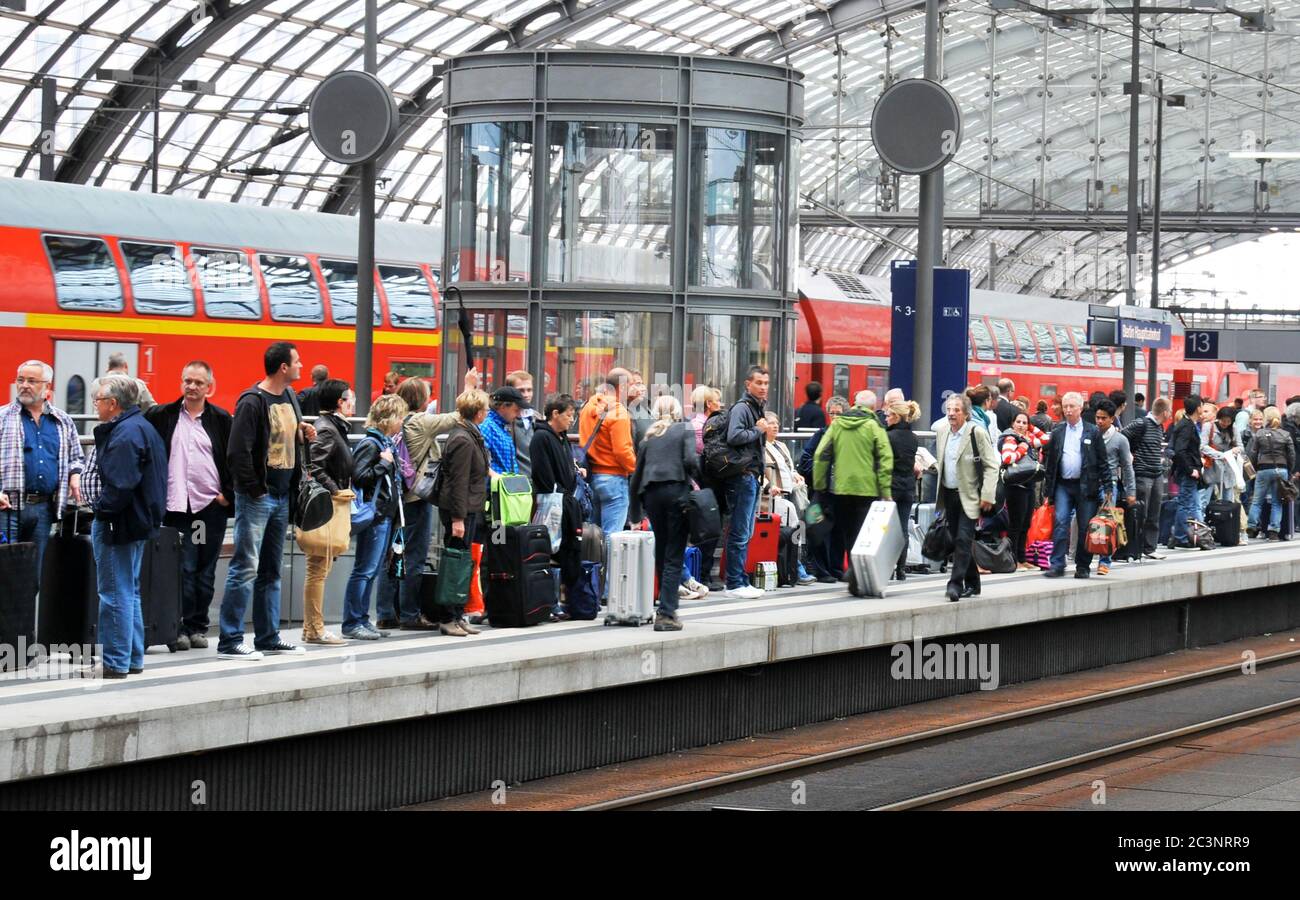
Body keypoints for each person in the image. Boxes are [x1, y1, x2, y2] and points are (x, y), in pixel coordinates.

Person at [217, 341, 314, 660]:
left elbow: (286, 434)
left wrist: (303, 432)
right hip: (259, 497)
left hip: (282, 496)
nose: (302, 366)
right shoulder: (252, 401)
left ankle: (268, 636)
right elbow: (237, 452)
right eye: (297, 362)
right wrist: (255, 489)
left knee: (271, 569)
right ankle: (230, 640)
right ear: (283, 367)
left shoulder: (289, 397)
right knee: (245, 567)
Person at [145, 361, 232, 651]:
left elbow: (234, 458)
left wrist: (226, 496)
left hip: (206, 509)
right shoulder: (163, 416)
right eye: (187, 381)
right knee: (179, 568)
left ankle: (197, 626)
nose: (192, 387)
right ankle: (176, 628)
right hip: (175, 508)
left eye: (198, 382)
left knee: (203, 570)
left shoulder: (220, 419)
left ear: (210, 387)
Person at [85, 375, 166, 678]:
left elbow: (119, 486)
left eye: (99, 400)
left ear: (113, 404)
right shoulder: (143, 427)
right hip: (137, 522)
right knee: (129, 591)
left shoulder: (124, 435)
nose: (96, 405)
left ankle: (115, 661)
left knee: (114, 593)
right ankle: (132, 657)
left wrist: (100, 511)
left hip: (118, 523)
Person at [374, 376, 464, 631]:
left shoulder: (397, 422)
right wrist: (468, 386)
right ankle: (410, 614)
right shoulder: (421, 422)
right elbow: (457, 417)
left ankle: (385, 612)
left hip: (396, 498)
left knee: (393, 555)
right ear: (423, 399)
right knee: (413, 557)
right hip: (415, 499)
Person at [0, 360, 84, 575]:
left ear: (47, 386)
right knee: (4, 576)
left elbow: (76, 457)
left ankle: (27, 610)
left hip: (43, 510)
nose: (24, 385)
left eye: (32, 381)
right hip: (7, 509)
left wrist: (75, 475)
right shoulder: (3, 417)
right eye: (21, 380)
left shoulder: (62, 421)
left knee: (32, 577)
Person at [629, 395, 700, 631]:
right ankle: (667, 614)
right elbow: (691, 460)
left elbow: (636, 477)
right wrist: (703, 485)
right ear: (677, 411)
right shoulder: (684, 429)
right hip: (676, 493)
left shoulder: (648, 439)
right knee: (674, 553)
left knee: (662, 551)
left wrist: (636, 515)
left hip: (652, 496)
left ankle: (664, 605)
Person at [342, 393, 408, 640]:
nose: (402, 421)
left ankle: (361, 618)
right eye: (400, 416)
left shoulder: (384, 443)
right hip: (375, 516)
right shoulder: (372, 444)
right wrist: (383, 464)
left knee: (371, 569)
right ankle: (352, 621)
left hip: (383, 515)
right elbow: (360, 476)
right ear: (389, 418)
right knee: (365, 569)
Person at [812, 389, 893, 586]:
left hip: (840, 489)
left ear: (855, 404)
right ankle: (857, 576)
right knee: (861, 533)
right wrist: (885, 492)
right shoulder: (874, 426)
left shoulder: (838, 424)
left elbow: (821, 455)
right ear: (873, 407)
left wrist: (820, 486)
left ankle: (853, 575)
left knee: (847, 533)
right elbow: (886, 459)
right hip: (867, 490)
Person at [300, 378, 353, 645]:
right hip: (327, 506)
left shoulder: (333, 427)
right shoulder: (328, 429)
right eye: (349, 397)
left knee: (317, 568)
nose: (353, 401)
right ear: (339, 402)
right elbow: (316, 466)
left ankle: (311, 628)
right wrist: (335, 490)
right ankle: (316, 629)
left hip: (328, 505)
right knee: (318, 568)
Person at [435, 389, 491, 637]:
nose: (487, 412)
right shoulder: (463, 439)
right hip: (460, 511)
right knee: (454, 564)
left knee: (462, 563)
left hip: (468, 508)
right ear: (478, 412)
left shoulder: (469, 435)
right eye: (486, 409)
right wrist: (458, 518)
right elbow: (457, 482)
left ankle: (458, 615)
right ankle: (448, 617)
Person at [934, 394, 1000, 601]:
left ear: (966, 413)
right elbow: (944, 462)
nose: (951, 414)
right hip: (949, 494)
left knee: (963, 539)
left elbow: (991, 465)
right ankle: (973, 582)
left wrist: (988, 494)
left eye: (956, 410)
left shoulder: (976, 433)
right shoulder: (942, 431)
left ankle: (955, 585)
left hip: (970, 496)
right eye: (949, 410)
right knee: (957, 540)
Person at [720, 365, 776, 600]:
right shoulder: (743, 408)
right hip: (742, 476)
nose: (763, 387)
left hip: (751, 476)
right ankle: (734, 582)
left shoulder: (756, 408)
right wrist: (757, 429)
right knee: (741, 531)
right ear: (748, 384)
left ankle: (740, 579)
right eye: (759, 383)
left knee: (746, 531)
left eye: (765, 383)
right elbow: (734, 436)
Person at [1042, 391, 1111, 578]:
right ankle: (1057, 564)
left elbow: (1102, 461)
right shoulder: (1057, 432)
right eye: (1065, 406)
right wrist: (1048, 491)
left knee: (1084, 526)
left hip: (1086, 486)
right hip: (1063, 485)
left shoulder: (1092, 431)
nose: (1068, 410)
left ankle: (1083, 565)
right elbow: (1051, 463)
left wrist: (1108, 488)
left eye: (1072, 406)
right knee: (1061, 522)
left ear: (1080, 408)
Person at [530, 393, 585, 616]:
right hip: (552, 504)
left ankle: (569, 601)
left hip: (566, 501)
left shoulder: (561, 437)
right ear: (555, 414)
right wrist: (562, 492)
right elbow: (544, 476)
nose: (571, 420)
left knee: (570, 549)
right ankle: (550, 603)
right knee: (551, 551)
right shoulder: (542, 438)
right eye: (568, 415)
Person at [578, 368, 638, 536]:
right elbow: (622, 451)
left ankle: (593, 563)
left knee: (593, 537)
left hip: (591, 478)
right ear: (623, 387)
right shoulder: (619, 412)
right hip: (614, 480)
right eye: (632, 385)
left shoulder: (589, 407)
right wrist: (637, 469)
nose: (635, 389)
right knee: (612, 539)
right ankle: (608, 564)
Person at [761, 411, 816, 586]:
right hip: (774, 499)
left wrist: (795, 474)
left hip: (790, 494)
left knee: (796, 530)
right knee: (789, 532)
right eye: (770, 423)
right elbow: (761, 473)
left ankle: (795, 566)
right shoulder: (761, 448)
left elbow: (788, 467)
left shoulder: (781, 445)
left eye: (776, 423)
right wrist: (770, 486)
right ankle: (796, 568)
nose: (775, 426)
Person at [799, 394, 848, 583]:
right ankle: (821, 570)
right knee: (819, 531)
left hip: (842, 492)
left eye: (838, 413)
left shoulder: (847, 436)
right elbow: (805, 460)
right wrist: (823, 470)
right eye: (832, 413)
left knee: (839, 532)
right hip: (822, 491)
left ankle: (836, 568)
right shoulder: (821, 434)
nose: (834, 417)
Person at [1122, 396, 1172, 560]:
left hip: (1156, 474)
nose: (1170, 414)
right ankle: (1135, 547)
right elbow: (1123, 437)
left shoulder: (1159, 428)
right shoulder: (1141, 424)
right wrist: (1128, 455)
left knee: (1154, 513)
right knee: (1140, 513)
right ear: (1164, 412)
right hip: (1142, 474)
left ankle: (1150, 548)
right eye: (1169, 411)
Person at [1000, 411, 1048, 570]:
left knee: (1025, 524)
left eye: (1024, 422)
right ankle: (1014, 560)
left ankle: (1022, 558)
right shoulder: (1010, 438)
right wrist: (1022, 448)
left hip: (1028, 485)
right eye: (1018, 422)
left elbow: (1046, 439)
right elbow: (1007, 458)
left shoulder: (1027, 438)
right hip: (1015, 487)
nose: (1021, 425)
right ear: (1012, 423)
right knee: (1016, 524)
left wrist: (1031, 427)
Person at [1093, 399, 1137, 575]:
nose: (1099, 421)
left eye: (1103, 418)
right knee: (1086, 521)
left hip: (1109, 484)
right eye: (1097, 417)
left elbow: (1127, 466)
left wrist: (1131, 491)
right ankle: (1086, 555)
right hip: (1090, 482)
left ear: (1112, 418)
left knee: (1106, 523)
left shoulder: (1120, 440)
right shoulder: (1090, 434)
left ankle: (1105, 561)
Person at [688, 385, 724, 590]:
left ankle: (701, 573)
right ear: (709, 404)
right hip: (706, 485)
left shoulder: (693, 424)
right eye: (717, 401)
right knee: (708, 530)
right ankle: (703, 574)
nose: (720, 404)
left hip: (700, 484)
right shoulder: (703, 426)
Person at [885, 399, 920, 580]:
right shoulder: (913, 438)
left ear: (897, 417)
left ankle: (888, 567)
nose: (887, 419)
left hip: (891, 487)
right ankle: (901, 569)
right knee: (903, 528)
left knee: (889, 529)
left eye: (889, 415)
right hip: (908, 488)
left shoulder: (889, 437)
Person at [1247, 408, 1295, 541]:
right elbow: (1291, 455)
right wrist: (1288, 470)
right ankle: (1274, 531)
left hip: (1263, 469)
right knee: (1277, 502)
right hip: (1281, 469)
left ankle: (1251, 527)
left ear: (1266, 418)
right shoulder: (1286, 434)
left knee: (1257, 500)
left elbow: (1253, 453)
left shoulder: (1260, 433)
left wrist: (1256, 468)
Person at [1166, 395, 1204, 550]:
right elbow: (1181, 450)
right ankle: (1180, 537)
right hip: (1188, 471)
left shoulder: (1186, 424)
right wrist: (1191, 470)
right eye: (1202, 406)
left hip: (1187, 469)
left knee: (1193, 504)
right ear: (1197, 408)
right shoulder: (1187, 426)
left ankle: (1198, 535)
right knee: (1185, 504)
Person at [481, 386, 524, 476]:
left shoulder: (502, 427)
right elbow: (480, 462)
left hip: (506, 486)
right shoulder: (487, 427)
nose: (518, 414)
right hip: (493, 488)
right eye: (516, 410)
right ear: (503, 407)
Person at [505, 370, 537, 477]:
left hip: (536, 483)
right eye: (521, 390)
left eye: (529, 390)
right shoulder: (504, 421)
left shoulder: (537, 418)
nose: (526, 395)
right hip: (514, 482)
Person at [626, 370, 652, 448]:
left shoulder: (646, 409)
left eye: (642, 384)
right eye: (638, 384)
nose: (643, 388)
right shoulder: (622, 412)